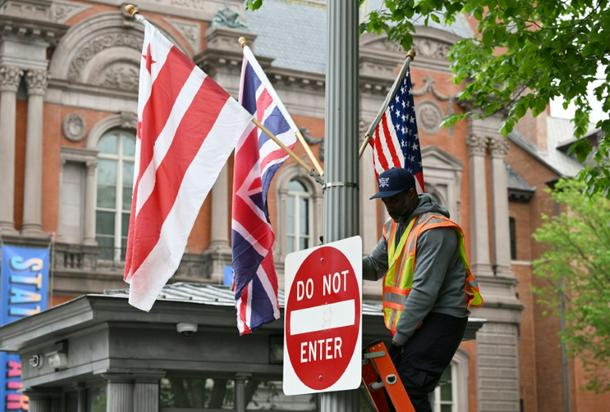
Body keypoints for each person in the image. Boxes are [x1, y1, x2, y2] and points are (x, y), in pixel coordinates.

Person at [363, 167, 483, 412]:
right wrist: (341, 260)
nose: (389, 207)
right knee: (392, 388)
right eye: (385, 201)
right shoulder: (393, 227)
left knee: (409, 386)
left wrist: (399, 338)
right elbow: (374, 267)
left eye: (394, 200)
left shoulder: (436, 230)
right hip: (418, 320)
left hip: (442, 318)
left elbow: (424, 292)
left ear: (411, 193)